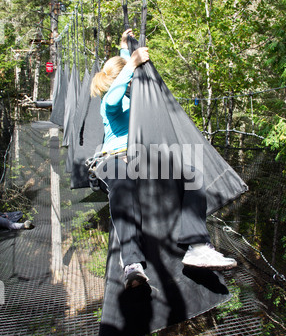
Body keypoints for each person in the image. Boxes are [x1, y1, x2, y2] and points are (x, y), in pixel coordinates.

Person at [89, 29, 237, 289]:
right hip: (113, 160)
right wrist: (131, 63)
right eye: (131, 78)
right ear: (123, 78)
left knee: (190, 172)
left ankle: (197, 245)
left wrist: (126, 49)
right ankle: (132, 263)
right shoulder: (110, 102)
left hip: (139, 159)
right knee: (122, 183)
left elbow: (121, 77)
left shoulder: (132, 96)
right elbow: (113, 93)